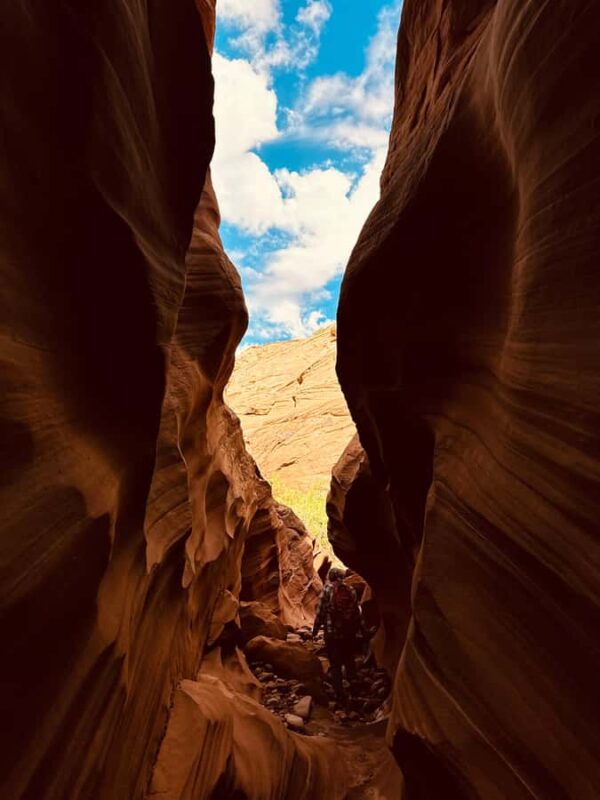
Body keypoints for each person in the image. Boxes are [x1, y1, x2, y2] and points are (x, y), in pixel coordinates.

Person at [312, 567, 363, 699]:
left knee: (335, 664)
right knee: (349, 660)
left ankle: (339, 694)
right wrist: (359, 629)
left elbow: (320, 612)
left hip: (332, 633)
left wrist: (315, 629)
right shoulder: (350, 590)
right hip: (348, 633)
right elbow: (356, 611)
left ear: (330, 577)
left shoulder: (327, 590)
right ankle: (355, 688)